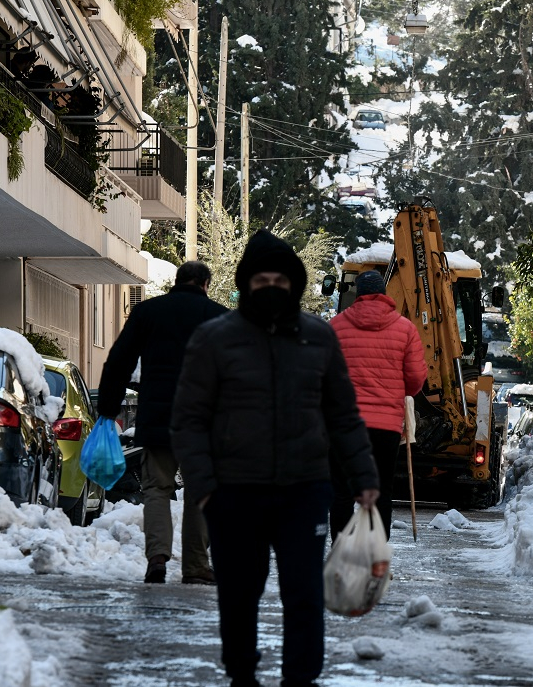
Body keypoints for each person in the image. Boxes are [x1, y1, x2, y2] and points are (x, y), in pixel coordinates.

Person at [171, 230, 379, 687]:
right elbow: (188, 419)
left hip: (304, 491)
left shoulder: (318, 339)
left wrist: (364, 474)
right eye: (261, 279)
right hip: (234, 493)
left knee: (304, 594)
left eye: (280, 281)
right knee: (239, 595)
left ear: (295, 284)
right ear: (246, 283)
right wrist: (205, 488)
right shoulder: (214, 339)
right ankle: (242, 675)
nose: (271, 288)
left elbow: (343, 415)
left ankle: (300, 680)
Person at [96, 261, 227, 585]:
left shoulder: (150, 312)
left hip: (159, 416)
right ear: (205, 284)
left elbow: (119, 360)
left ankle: (157, 556)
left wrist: (108, 407)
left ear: (177, 282)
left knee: (156, 488)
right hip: (203, 419)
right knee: (200, 490)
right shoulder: (220, 317)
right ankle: (196, 566)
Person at [328, 270, 425, 540]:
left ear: (357, 295)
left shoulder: (336, 326)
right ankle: (376, 553)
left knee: (342, 491)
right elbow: (416, 377)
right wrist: (399, 392)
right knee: (381, 489)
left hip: (345, 425)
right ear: (384, 294)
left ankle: (342, 549)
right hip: (386, 427)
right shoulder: (405, 328)